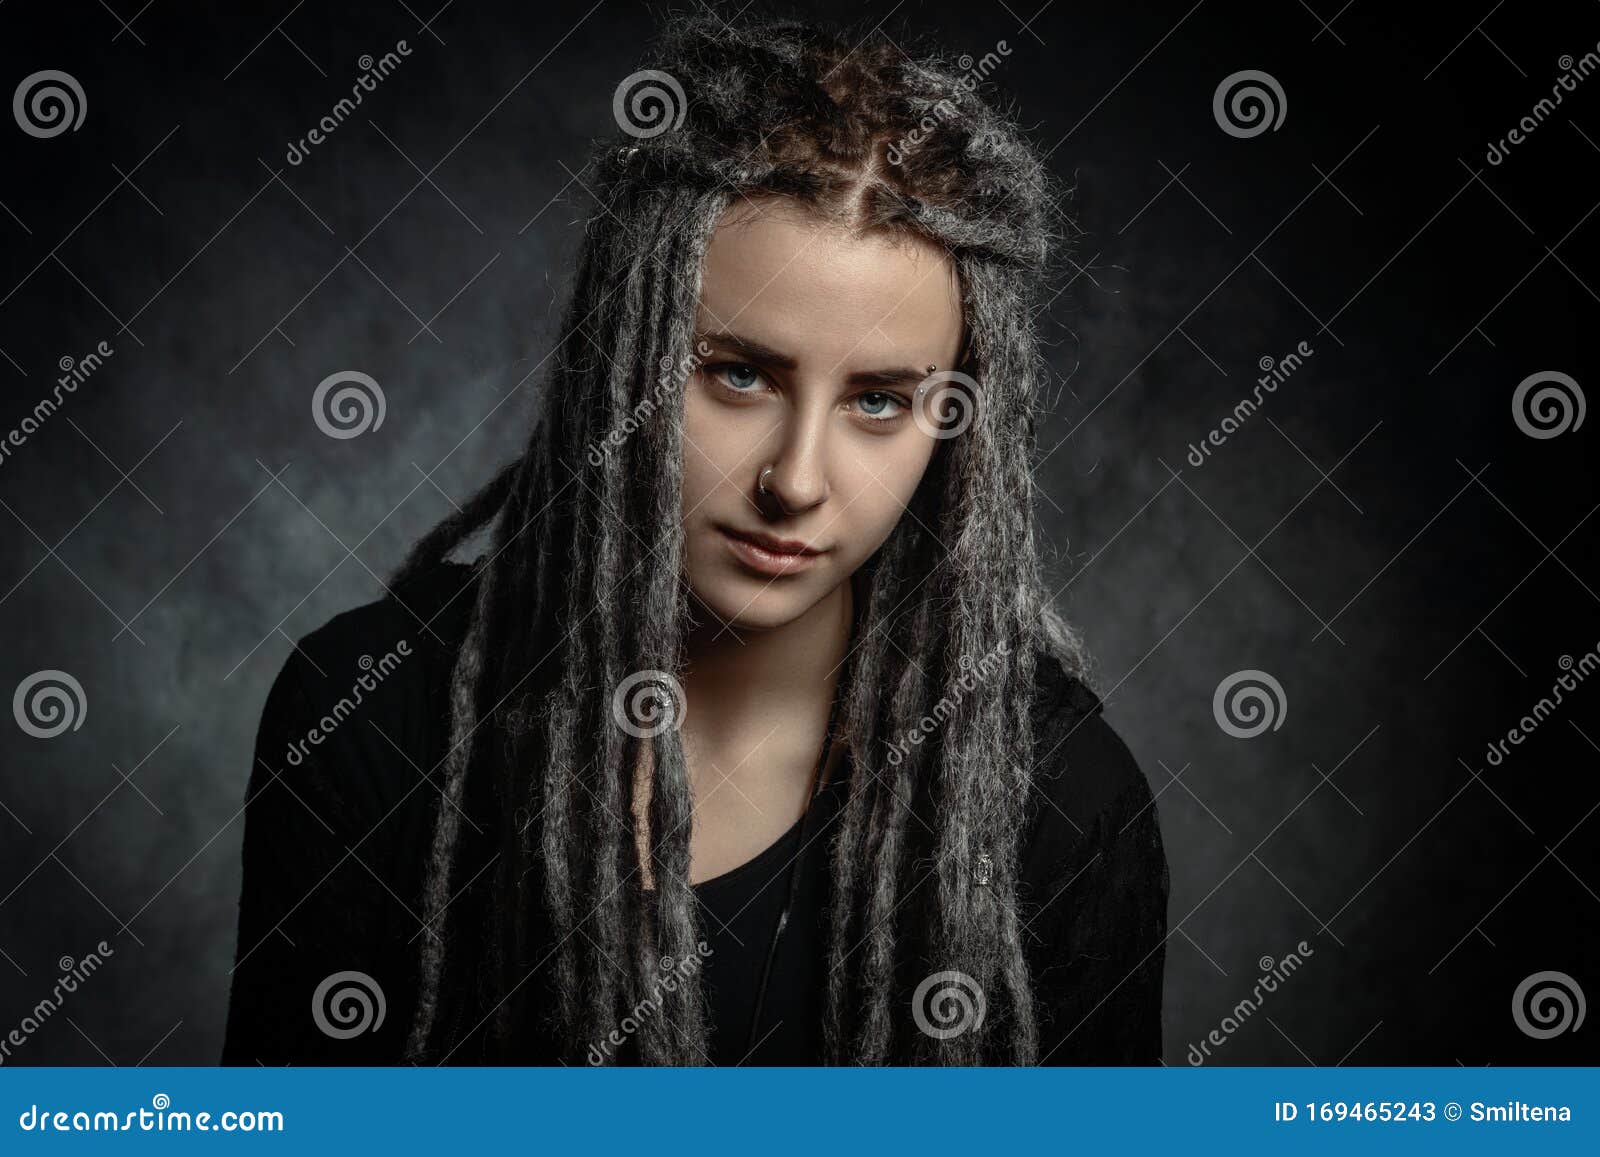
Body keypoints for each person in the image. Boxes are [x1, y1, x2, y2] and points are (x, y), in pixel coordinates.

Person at [221, 11, 1169, 1067]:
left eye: (879, 401)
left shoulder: (1058, 798)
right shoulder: (372, 716)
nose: (796, 481)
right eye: (737, 373)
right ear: (623, 352)